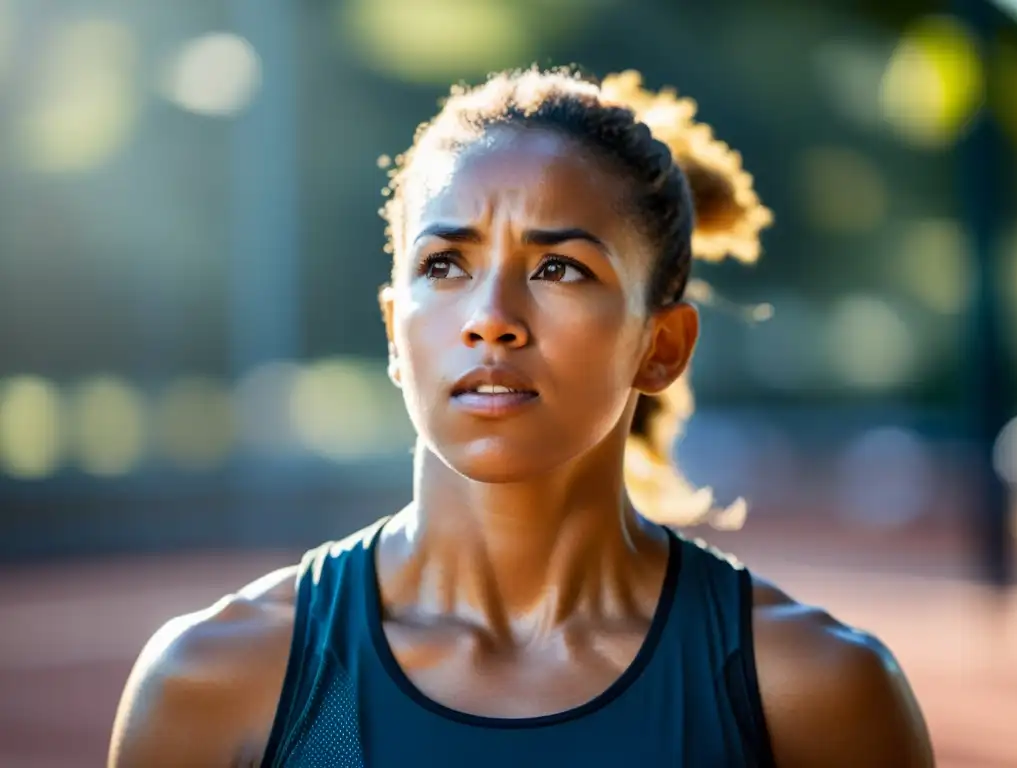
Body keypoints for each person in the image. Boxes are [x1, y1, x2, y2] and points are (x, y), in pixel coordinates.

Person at [108, 67, 934, 767]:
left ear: (664, 346)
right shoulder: (215, 681)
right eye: (445, 265)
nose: (492, 316)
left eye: (559, 268)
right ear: (397, 331)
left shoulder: (814, 693)